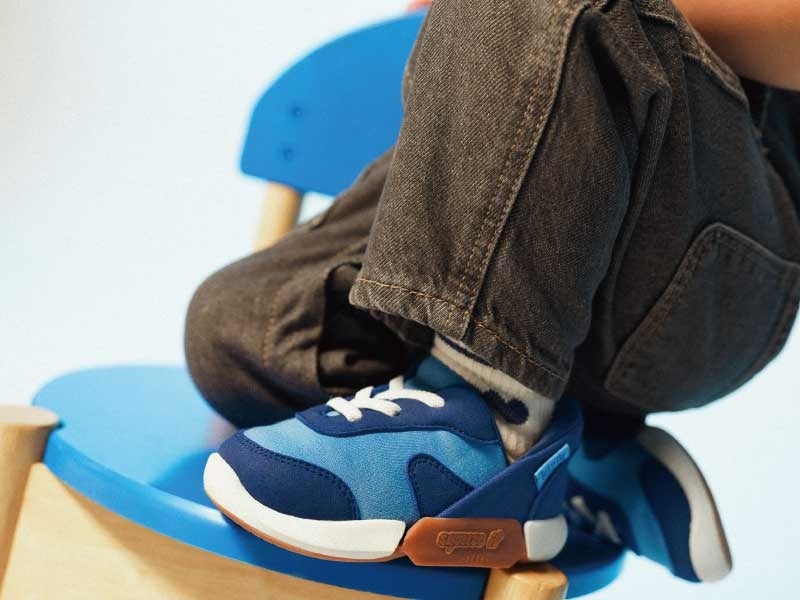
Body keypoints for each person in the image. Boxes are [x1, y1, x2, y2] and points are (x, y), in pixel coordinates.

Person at [187, 0, 800, 581]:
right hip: (558, 224)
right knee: (237, 328)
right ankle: (567, 445)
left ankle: (490, 427)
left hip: (707, 255)